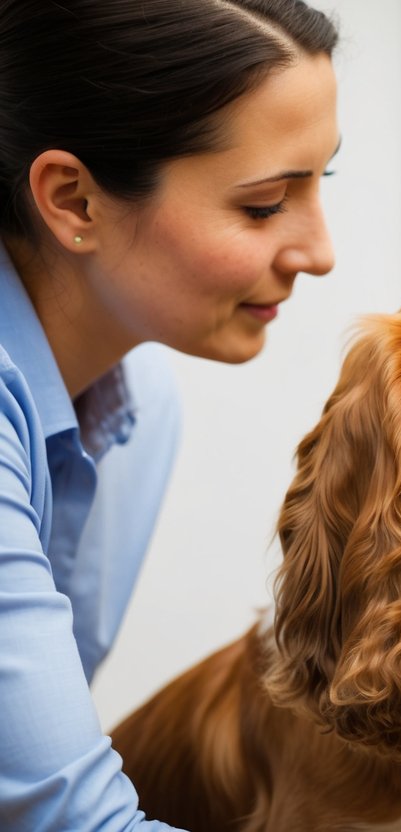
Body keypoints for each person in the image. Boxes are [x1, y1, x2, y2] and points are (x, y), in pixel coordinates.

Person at [0, 1, 340, 829]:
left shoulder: (137, 404)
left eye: (318, 184)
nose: (319, 253)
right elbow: (68, 819)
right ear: (74, 199)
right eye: (263, 206)